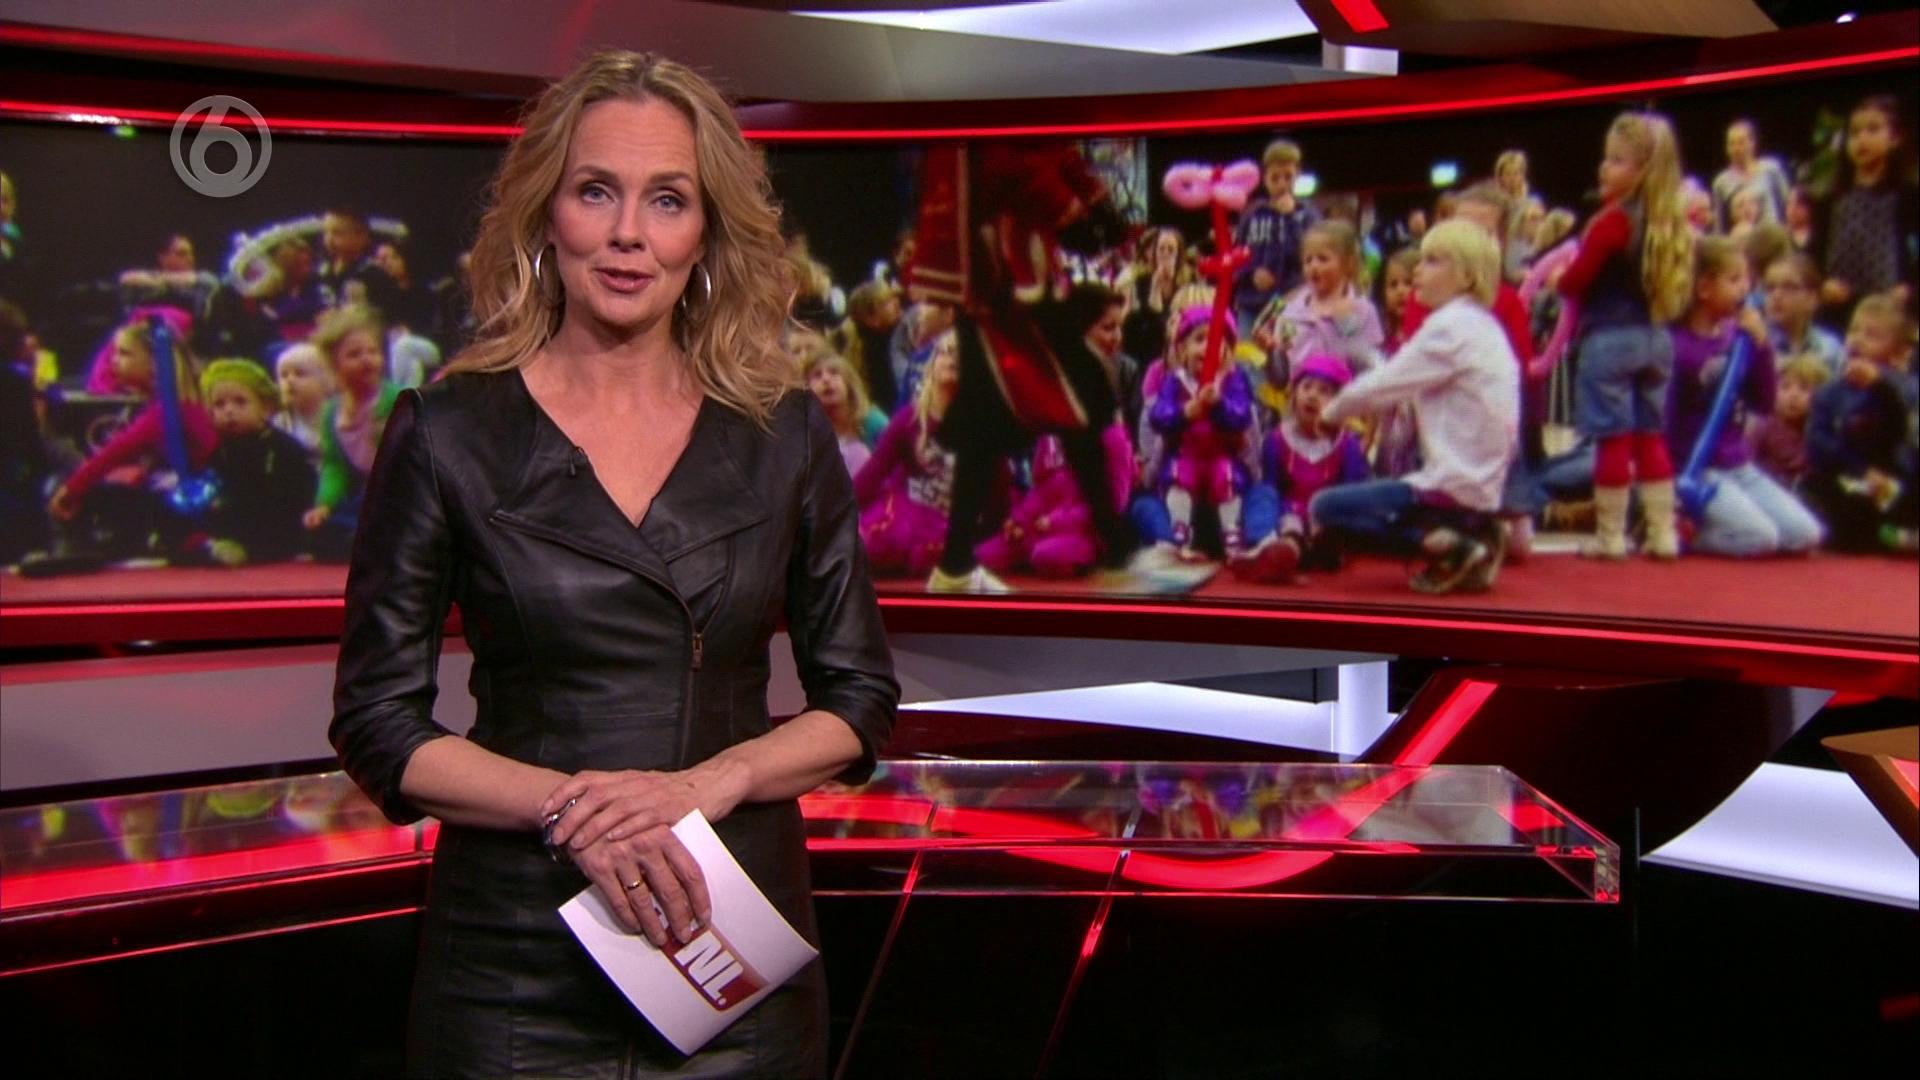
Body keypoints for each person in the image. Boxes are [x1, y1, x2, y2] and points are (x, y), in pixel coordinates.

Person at [329, 51, 897, 1079]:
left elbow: (858, 700)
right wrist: (573, 812)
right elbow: (378, 723)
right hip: (513, 964)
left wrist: (710, 784)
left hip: (728, 948)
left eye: (667, 199)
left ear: (705, 232)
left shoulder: (785, 434)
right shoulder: (447, 432)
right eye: (597, 191)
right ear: (547, 214)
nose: (629, 232)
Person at [1311, 221, 1520, 594]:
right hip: (1482, 489)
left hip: (1450, 486)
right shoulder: (1486, 327)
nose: (1418, 271)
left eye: (1433, 261)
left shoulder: (1448, 327)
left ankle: (1451, 546)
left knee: (1325, 509)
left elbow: (1383, 385)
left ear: (1467, 276)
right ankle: (1475, 533)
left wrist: (1331, 413)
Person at [1557, 111, 1695, 561]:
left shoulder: (1613, 221)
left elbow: (1577, 280)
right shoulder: (1671, 222)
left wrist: (1559, 277)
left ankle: (1610, 536)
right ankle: (1662, 534)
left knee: (1613, 439)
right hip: (1656, 338)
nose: (1604, 168)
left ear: (1643, 170)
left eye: (1616, 160)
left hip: (1610, 339)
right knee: (1649, 436)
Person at [1666, 237, 1823, 557]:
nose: (1745, 289)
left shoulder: (1736, 337)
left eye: (1747, 280)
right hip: (1698, 467)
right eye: (1734, 280)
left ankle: (1724, 525)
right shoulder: (1676, 345)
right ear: (1704, 288)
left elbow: (1763, 402)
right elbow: (1665, 416)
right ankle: (1686, 533)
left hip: (1738, 464)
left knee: (1805, 534)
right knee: (1759, 538)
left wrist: (1762, 346)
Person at [1804, 292, 1919, 552]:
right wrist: (1861, 470)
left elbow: (1902, 432)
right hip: (1849, 477)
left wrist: (1879, 386)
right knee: (1830, 497)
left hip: (1895, 478)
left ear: (1898, 350)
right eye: (1854, 330)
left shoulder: (1908, 389)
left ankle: (1897, 534)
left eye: (1872, 335)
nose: (1857, 339)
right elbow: (1817, 443)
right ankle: (1887, 537)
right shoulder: (1829, 392)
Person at [191, 358, 317, 565]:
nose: (229, 411)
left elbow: (300, 494)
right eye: (219, 404)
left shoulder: (283, 447)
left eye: (240, 402)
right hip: (233, 520)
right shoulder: (219, 450)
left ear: (265, 408)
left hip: (276, 525)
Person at [1231, 139, 1318, 336]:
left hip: (1292, 305)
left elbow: (1309, 256)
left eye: (1288, 177)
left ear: (1298, 175)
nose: (1282, 184)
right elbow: (1236, 258)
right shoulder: (1252, 214)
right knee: (1247, 354)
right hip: (1251, 304)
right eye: (1275, 178)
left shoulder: (1307, 215)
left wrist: (1290, 218)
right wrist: (1252, 273)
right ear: (1265, 178)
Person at [1711, 119, 1791, 230]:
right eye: (1731, 143)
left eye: (1741, 142)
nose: (1736, 148)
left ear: (1752, 143)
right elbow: (1720, 225)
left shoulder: (1771, 169)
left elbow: (1787, 204)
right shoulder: (1721, 182)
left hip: (1772, 235)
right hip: (1743, 238)